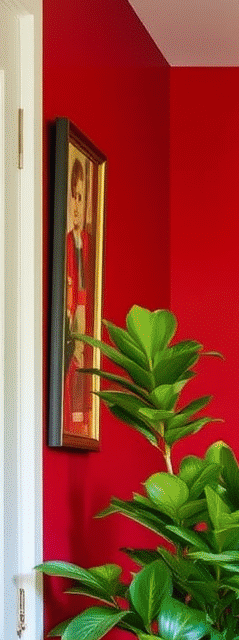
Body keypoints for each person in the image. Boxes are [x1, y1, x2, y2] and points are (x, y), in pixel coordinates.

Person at [64, 156, 96, 434]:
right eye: (73, 196)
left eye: (81, 196)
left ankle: (81, 422)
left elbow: (86, 291)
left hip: (83, 320)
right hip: (74, 321)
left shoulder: (85, 242)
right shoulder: (66, 244)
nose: (76, 205)